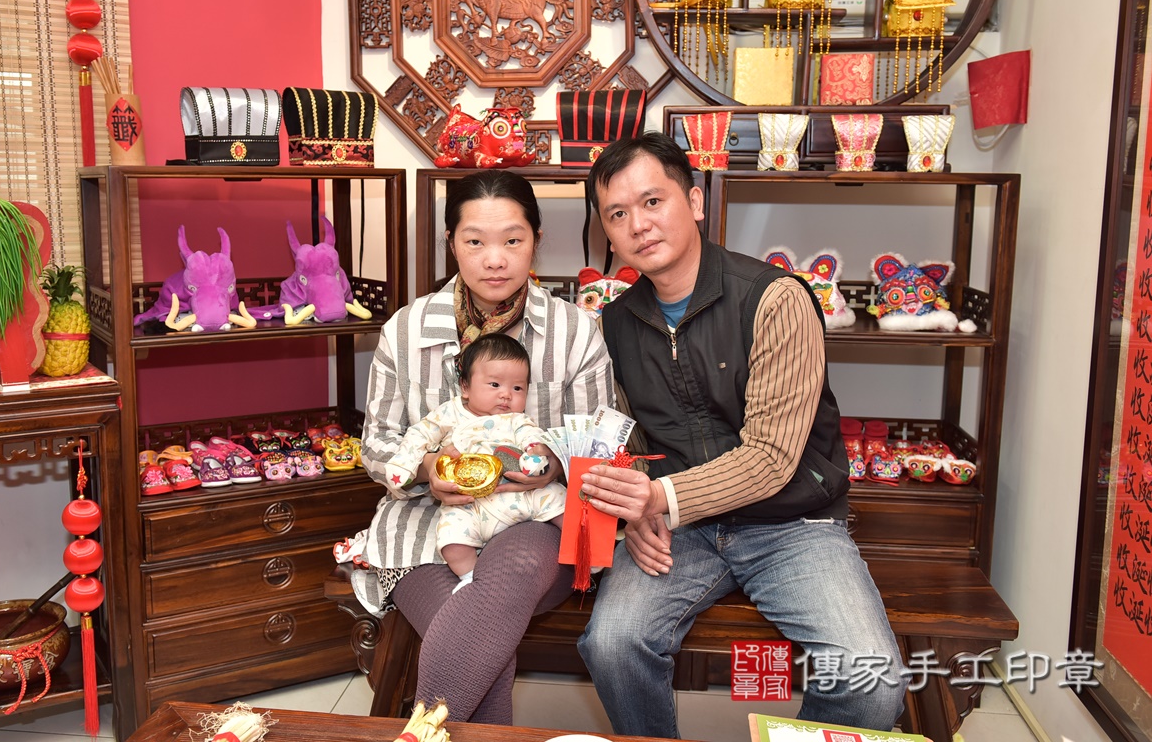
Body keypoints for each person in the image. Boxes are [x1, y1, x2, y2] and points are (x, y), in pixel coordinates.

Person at [575, 133, 906, 737]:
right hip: (682, 530)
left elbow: (772, 457)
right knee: (612, 643)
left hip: (792, 522)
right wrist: (635, 511)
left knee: (870, 679)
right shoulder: (615, 323)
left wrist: (659, 499)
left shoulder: (775, 299)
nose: (638, 225)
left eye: (653, 201)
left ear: (695, 202)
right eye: (617, 215)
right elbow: (627, 441)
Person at [354, 169, 614, 724]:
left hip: (535, 518)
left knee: (499, 590)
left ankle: (421, 734)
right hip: (426, 525)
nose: (495, 260)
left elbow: (598, 445)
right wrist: (429, 468)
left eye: (512, 240)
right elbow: (376, 445)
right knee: (477, 635)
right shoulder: (406, 330)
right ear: (451, 242)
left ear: (536, 240)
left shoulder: (574, 331)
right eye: (475, 242)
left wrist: (551, 466)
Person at [385, 333, 565, 593]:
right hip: (468, 502)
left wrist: (535, 456)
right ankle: (470, 578)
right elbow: (420, 435)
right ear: (466, 387)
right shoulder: (450, 413)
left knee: (562, 500)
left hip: (519, 492)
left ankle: (584, 550)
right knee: (451, 540)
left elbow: (533, 438)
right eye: (495, 384)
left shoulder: (517, 419)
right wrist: (405, 463)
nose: (506, 395)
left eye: (517, 388)